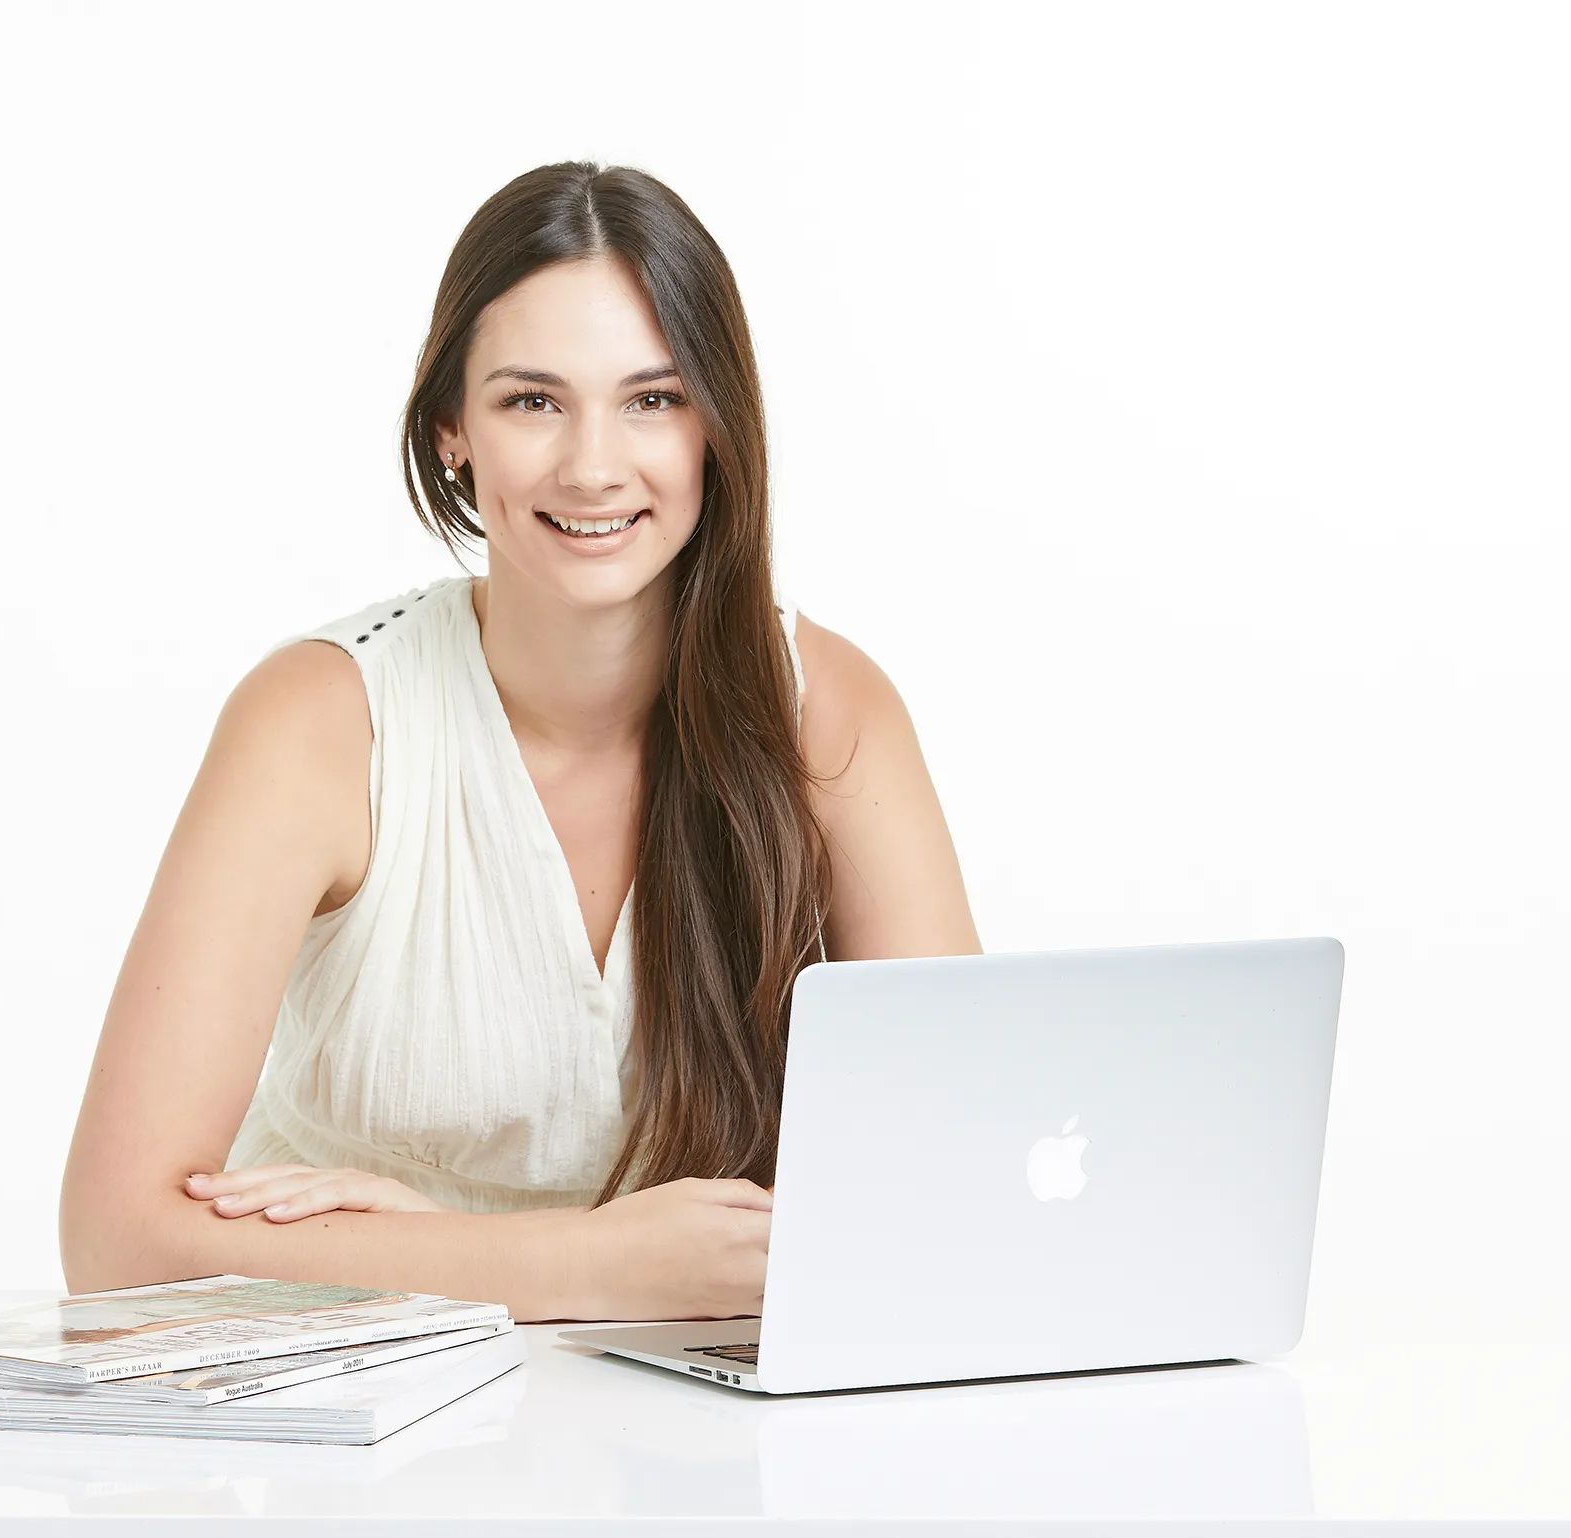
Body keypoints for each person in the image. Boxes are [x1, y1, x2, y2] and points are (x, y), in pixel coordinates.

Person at [59, 159, 980, 1324]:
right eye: (532, 400)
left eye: (652, 398)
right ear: (453, 428)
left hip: (702, 1458)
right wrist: (585, 1264)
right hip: (360, 1443)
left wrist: (436, 1245)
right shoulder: (319, 721)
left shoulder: (827, 710)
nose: (594, 464)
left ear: (715, 427)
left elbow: (963, 1176)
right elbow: (115, 1236)